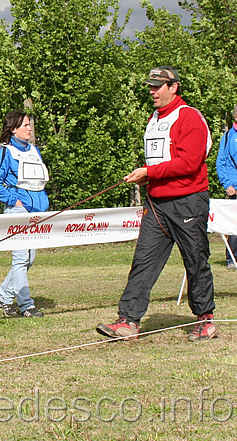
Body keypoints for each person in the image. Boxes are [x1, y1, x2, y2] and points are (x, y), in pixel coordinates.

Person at [96, 66, 216, 342]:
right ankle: (128, 321)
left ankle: (205, 318)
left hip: (188, 202)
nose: (152, 91)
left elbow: (190, 163)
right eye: (150, 86)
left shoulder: (189, 118)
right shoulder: (154, 118)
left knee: (195, 261)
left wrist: (149, 173)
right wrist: (147, 178)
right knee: (143, 262)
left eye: (157, 86)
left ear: (174, 87)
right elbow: (161, 161)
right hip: (158, 203)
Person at [0, 111, 49, 318]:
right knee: (21, 259)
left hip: (37, 212)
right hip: (18, 211)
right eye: (25, 125)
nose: (29, 129)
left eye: (30, 125)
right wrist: (15, 200)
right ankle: (26, 306)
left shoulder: (34, 150)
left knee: (29, 259)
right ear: (13, 129)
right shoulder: (5, 152)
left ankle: (4, 297)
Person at [215, 104, 237, 270]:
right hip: (234, 186)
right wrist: (227, 183)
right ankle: (232, 259)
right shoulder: (228, 136)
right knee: (234, 225)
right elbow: (220, 162)